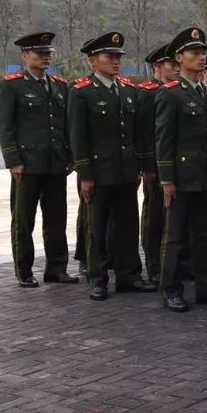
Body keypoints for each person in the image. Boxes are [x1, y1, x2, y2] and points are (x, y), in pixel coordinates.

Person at [155, 27, 207, 311]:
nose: (201, 58)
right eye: (194, 53)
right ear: (179, 57)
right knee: (176, 237)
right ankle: (171, 289)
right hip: (182, 177)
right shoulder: (171, 94)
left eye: (203, 52)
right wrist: (167, 179)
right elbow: (164, 140)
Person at [69, 31, 157, 300]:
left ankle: (129, 275)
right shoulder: (82, 92)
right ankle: (97, 277)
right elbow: (78, 136)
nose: (116, 61)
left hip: (126, 171)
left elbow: (138, 134)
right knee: (96, 226)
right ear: (92, 61)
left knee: (127, 225)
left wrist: (144, 166)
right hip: (98, 172)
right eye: (110, 57)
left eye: (119, 57)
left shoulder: (129, 90)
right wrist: (85, 174)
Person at [0, 31, 76, 287]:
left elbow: (66, 125)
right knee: (23, 219)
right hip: (27, 164)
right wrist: (13, 161)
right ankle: (24, 270)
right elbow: (5, 126)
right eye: (39, 53)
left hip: (55, 162)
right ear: (24, 56)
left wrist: (70, 156)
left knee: (56, 218)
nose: (45, 58)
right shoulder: (12, 85)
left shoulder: (60, 85)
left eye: (47, 54)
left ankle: (57, 268)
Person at [138, 43, 178, 286]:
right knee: (153, 218)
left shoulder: (177, 90)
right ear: (157, 67)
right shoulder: (147, 92)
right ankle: (153, 265)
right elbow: (144, 133)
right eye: (171, 65)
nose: (175, 68)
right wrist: (147, 167)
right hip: (154, 164)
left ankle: (172, 265)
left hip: (173, 165)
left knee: (171, 219)